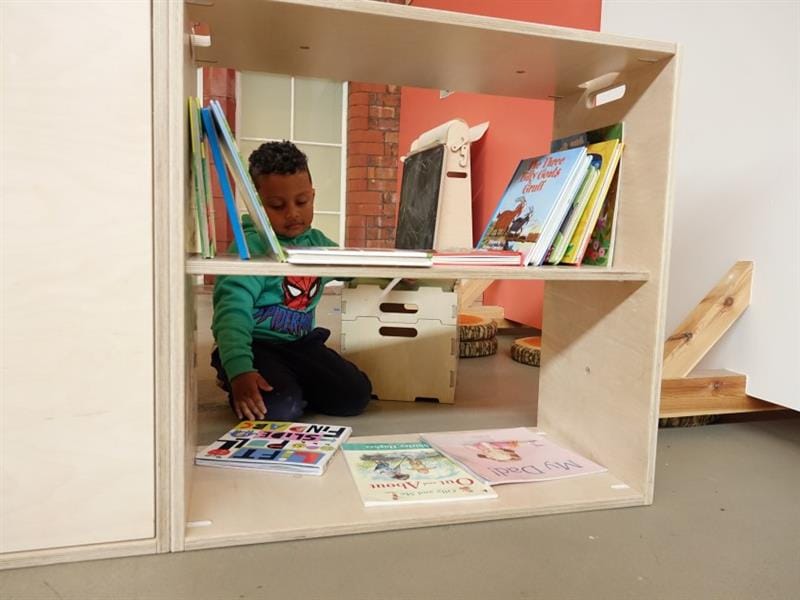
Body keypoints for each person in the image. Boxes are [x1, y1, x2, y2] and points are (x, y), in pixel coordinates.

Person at [211, 141, 372, 422]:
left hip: (301, 344)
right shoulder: (249, 250)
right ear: (257, 205)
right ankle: (230, 370)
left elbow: (354, 267)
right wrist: (239, 370)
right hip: (255, 345)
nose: (293, 213)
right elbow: (231, 314)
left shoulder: (317, 243)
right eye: (277, 206)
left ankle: (292, 386)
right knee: (280, 410)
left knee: (355, 395)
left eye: (302, 202)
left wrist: (399, 271)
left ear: (313, 196)